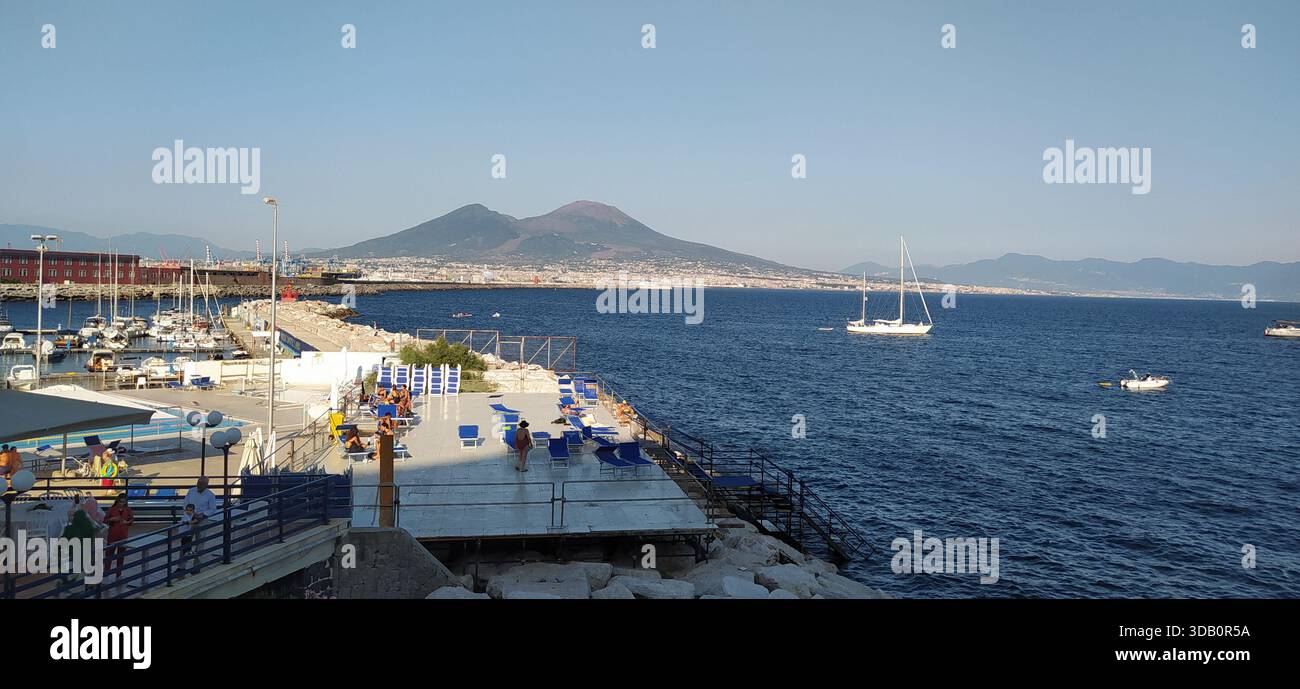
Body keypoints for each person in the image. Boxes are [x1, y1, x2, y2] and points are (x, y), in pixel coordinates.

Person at [104, 494, 134, 582]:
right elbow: (105, 520)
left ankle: (119, 574)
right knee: (109, 555)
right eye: (120, 501)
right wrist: (112, 519)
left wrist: (127, 522)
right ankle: (106, 575)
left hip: (123, 535)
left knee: (121, 556)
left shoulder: (128, 510)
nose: (122, 504)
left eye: (123, 502)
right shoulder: (111, 509)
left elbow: (132, 520)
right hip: (113, 535)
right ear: (117, 500)